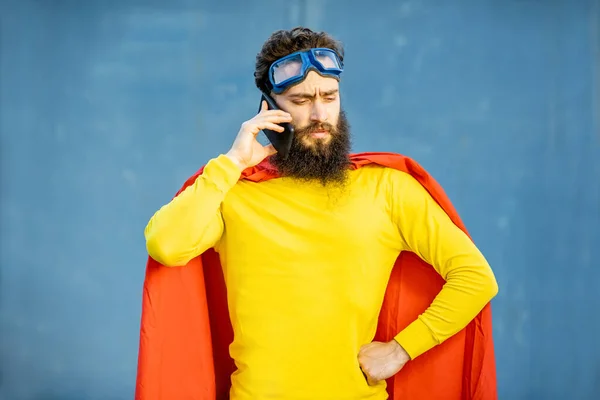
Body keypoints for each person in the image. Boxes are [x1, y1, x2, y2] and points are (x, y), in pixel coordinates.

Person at [136, 27, 499, 400]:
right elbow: (166, 244)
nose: (319, 113)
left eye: (329, 96)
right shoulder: (234, 193)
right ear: (269, 107)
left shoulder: (388, 189)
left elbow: (476, 277)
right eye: (300, 99)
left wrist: (400, 349)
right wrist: (232, 162)